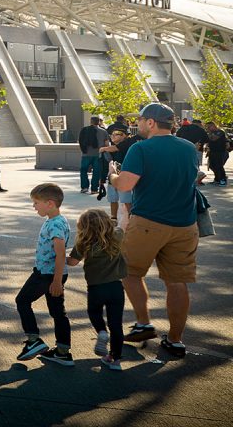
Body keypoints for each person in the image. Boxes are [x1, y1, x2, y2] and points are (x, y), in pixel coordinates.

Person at [108, 102, 199, 358]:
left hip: (149, 221)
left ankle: (144, 322)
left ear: (150, 122)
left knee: (128, 272)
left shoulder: (141, 148)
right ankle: (175, 340)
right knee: (177, 282)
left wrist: (112, 175)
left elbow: (126, 184)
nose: (137, 124)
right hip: (185, 225)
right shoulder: (189, 148)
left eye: (140, 120)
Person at [15, 183, 72, 366]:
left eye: (36, 202)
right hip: (53, 274)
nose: (34, 206)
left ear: (50, 203)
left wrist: (56, 281)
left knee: (22, 300)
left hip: (46, 275)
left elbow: (61, 252)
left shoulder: (55, 224)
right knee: (57, 312)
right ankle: (63, 352)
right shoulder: (59, 221)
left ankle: (34, 341)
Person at [66, 209, 127, 370]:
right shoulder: (117, 236)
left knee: (94, 312)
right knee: (116, 324)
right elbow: (123, 224)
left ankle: (101, 331)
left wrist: (60, 257)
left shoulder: (83, 241)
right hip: (116, 287)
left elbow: (72, 262)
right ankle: (115, 360)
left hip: (95, 288)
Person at [99, 126, 138, 223]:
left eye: (117, 134)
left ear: (125, 135)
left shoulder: (128, 144)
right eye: (112, 134)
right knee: (113, 198)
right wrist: (102, 179)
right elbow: (105, 165)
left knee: (126, 200)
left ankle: (131, 218)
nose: (114, 136)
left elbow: (115, 148)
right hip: (112, 176)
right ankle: (113, 218)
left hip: (124, 177)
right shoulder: (108, 149)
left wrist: (104, 148)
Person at [78, 116, 110, 195]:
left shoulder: (84, 130)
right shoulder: (104, 132)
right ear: (99, 122)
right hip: (98, 154)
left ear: (91, 122)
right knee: (96, 172)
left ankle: (84, 187)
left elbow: (80, 141)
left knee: (83, 171)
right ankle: (94, 189)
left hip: (86, 154)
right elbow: (106, 144)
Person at [205, 120, 228, 186]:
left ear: (213, 126)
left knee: (219, 166)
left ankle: (223, 180)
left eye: (209, 127)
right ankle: (217, 179)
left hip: (220, 151)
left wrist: (209, 133)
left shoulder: (220, 132)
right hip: (213, 151)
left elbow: (214, 138)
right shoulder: (212, 133)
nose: (208, 129)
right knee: (212, 165)